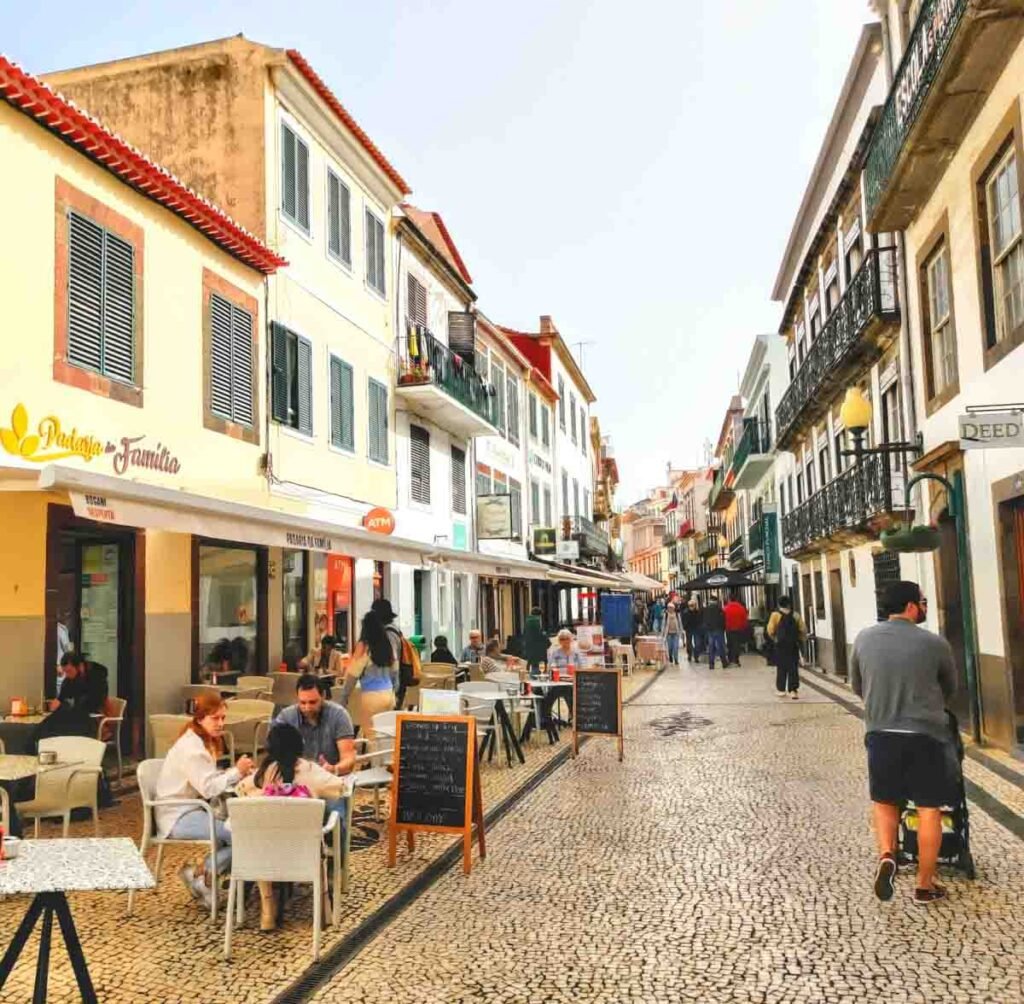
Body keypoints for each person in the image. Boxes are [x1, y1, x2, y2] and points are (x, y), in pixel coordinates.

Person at [850, 581, 957, 906]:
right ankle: (925, 885)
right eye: (923, 601)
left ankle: (887, 855)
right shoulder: (934, 643)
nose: (924, 606)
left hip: (881, 734)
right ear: (911, 606)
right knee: (929, 809)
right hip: (926, 736)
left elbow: (858, 686)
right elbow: (949, 688)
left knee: (885, 803)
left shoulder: (864, 639)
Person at [238, 723, 351, 930]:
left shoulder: (262, 775)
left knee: (263, 838)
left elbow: (241, 790)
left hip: (267, 854)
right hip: (306, 853)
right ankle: (325, 903)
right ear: (300, 745)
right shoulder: (311, 772)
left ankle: (267, 912)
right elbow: (342, 788)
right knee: (331, 825)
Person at [155, 693, 253, 908]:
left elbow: (208, 780)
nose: (220, 724)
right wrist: (237, 771)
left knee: (244, 834)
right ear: (200, 719)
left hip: (188, 810)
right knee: (247, 836)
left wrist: (234, 773)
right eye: (215, 718)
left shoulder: (198, 741)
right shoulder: (193, 749)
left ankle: (200, 874)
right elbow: (208, 788)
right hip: (177, 816)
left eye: (223, 718)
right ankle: (204, 876)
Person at [338, 613, 399, 736]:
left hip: (371, 698)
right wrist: (394, 691)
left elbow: (353, 674)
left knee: (371, 736)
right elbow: (395, 671)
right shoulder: (387, 645)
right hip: (388, 694)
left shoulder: (364, 646)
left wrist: (344, 697)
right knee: (386, 735)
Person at [767, 596, 807, 699]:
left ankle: (781, 690)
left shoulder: (775, 615)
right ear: (789, 604)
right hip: (793, 645)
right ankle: (793, 690)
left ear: (779, 605)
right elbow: (803, 629)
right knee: (793, 667)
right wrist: (800, 640)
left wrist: (775, 639)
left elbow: (770, 630)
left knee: (781, 667)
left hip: (780, 646)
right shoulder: (795, 615)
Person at [723, 594, 749, 667]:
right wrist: (744, 627)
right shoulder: (741, 608)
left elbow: (723, 619)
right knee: (736, 644)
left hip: (729, 629)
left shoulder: (725, 608)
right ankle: (736, 659)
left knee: (730, 644)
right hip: (739, 629)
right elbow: (745, 619)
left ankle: (731, 659)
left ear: (729, 599)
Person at [703, 597, 727, 670]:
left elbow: (705, 620)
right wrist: (723, 628)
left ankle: (711, 664)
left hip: (710, 630)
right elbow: (723, 619)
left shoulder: (706, 610)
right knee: (721, 646)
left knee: (711, 647)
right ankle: (724, 662)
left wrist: (708, 628)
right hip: (719, 630)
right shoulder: (719, 609)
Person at [523, 607, 548, 677]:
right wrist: (545, 636)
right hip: (538, 649)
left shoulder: (527, 620)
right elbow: (540, 635)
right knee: (539, 668)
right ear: (539, 615)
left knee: (531, 665)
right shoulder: (535, 620)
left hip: (530, 648)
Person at [682, 597, 703, 663]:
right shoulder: (686, 612)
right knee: (689, 643)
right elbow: (683, 621)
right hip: (689, 629)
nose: (692, 607)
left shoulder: (698, 612)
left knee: (698, 643)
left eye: (693, 605)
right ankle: (690, 655)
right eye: (690, 605)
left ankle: (696, 656)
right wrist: (685, 627)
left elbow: (700, 620)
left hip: (696, 629)